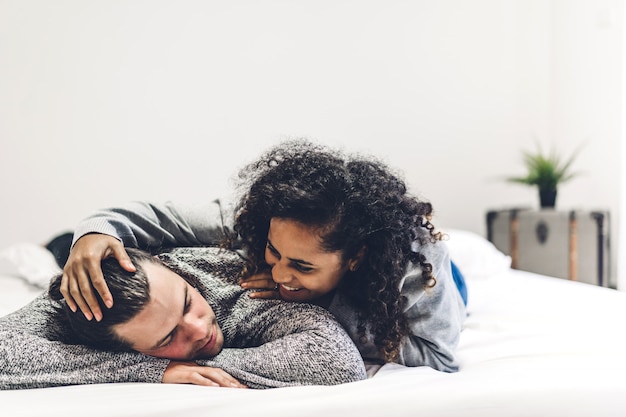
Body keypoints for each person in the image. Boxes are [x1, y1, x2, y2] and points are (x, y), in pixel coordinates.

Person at [62, 139, 467, 372]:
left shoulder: (416, 269)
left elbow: (439, 356)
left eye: (302, 265)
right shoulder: (255, 216)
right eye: (274, 252)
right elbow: (161, 217)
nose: (279, 271)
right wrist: (95, 232)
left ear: (354, 258)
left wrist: (324, 302)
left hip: (436, 288)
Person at [0, 246, 367, 390]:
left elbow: (336, 360)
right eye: (166, 338)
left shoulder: (231, 280)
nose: (199, 328)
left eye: (188, 303)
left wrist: (178, 357)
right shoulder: (71, 310)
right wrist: (148, 369)